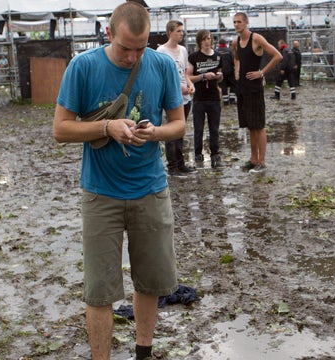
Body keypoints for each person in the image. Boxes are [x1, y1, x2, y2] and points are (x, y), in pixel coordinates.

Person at [52, 3, 185, 360]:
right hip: (101, 194)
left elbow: (178, 124)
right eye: (125, 47)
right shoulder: (83, 66)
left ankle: (144, 352)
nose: (131, 56)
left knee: (150, 282)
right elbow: (60, 129)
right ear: (109, 34)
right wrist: (106, 127)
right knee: (100, 291)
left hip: (150, 190)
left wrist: (154, 132)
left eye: (140, 48)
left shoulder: (161, 65)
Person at [232, 12, 282, 173]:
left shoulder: (256, 38)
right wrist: (237, 72)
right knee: (250, 126)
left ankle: (262, 161)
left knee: (259, 126)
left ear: (246, 22)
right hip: (243, 88)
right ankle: (253, 160)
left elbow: (277, 56)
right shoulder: (236, 42)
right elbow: (237, 59)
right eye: (234, 22)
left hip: (254, 88)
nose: (236, 25)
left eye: (239, 21)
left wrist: (261, 73)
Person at [157, 20, 197, 176]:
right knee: (171, 129)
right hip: (171, 95)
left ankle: (180, 163)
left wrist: (190, 85)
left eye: (182, 31)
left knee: (181, 129)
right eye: (178, 31)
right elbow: (161, 76)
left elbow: (185, 73)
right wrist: (178, 87)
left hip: (185, 95)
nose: (181, 33)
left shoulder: (183, 50)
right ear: (169, 33)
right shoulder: (161, 51)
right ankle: (172, 165)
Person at [187, 30, 225, 168]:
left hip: (214, 97)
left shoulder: (218, 56)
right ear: (199, 41)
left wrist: (219, 76)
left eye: (209, 38)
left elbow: (221, 74)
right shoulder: (194, 57)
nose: (207, 41)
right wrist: (203, 76)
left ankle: (215, 154)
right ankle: (198, 154)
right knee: (198, 128)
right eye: (204, 39)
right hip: (199, 98)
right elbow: (188, 76)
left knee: (214, 128)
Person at [215, 38, 236, 105]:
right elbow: (233, 60)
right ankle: (232, 100)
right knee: (233, 84)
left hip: (220, 72)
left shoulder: (216, 51)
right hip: (230, 71)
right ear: (225, 43)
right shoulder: (229, 51)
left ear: (219, 44)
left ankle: (225, 101)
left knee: (223, 86)